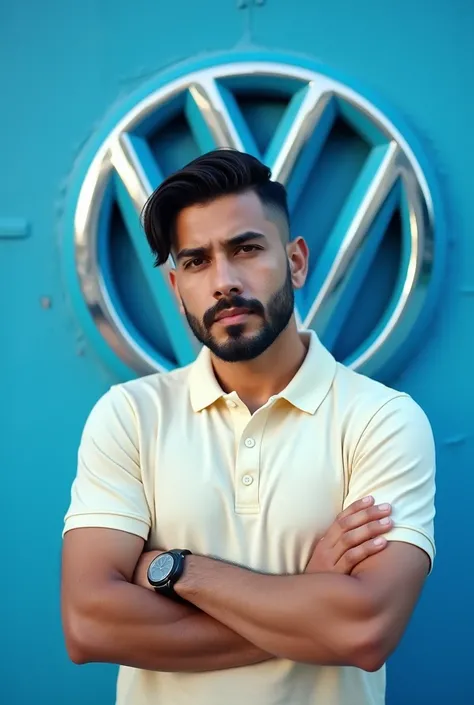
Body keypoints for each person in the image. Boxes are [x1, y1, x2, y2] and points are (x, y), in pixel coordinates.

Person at [61, 149, 435, 705]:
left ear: (297, 261)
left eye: (247, 249)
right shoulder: (130, 416)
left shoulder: (381, 419)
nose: (224, 282)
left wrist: (177, 571)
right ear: (175, 287)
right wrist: (308, 603)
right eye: (196, 262)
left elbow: (364, 630)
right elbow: (90, 625)